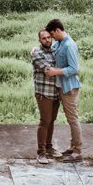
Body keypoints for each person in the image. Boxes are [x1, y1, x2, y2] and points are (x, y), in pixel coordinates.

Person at [44, 18, 82, 159]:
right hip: (61, 87)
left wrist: (56, 71)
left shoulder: (69, 45)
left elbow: (74, 69)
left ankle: (77, 151)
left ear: (57, 30)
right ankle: (72, 147)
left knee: (72, 119)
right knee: (69, 118)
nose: (51, 38)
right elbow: (49, 51)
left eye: (52, 35)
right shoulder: (59, 43)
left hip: (69, 88)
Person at [30, 28, 62, 163]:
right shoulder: (37, 53)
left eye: (49, 37)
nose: (47, 40)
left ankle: (49, 147)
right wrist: (68, 70)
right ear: (39, 40)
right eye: (44, 38)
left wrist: (59, 70)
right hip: (44, 92)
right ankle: (41, 153)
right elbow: (49, 70)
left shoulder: (55, 51)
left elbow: (57, 68)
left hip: (55, 92)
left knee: (52, 120)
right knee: (45, 121)